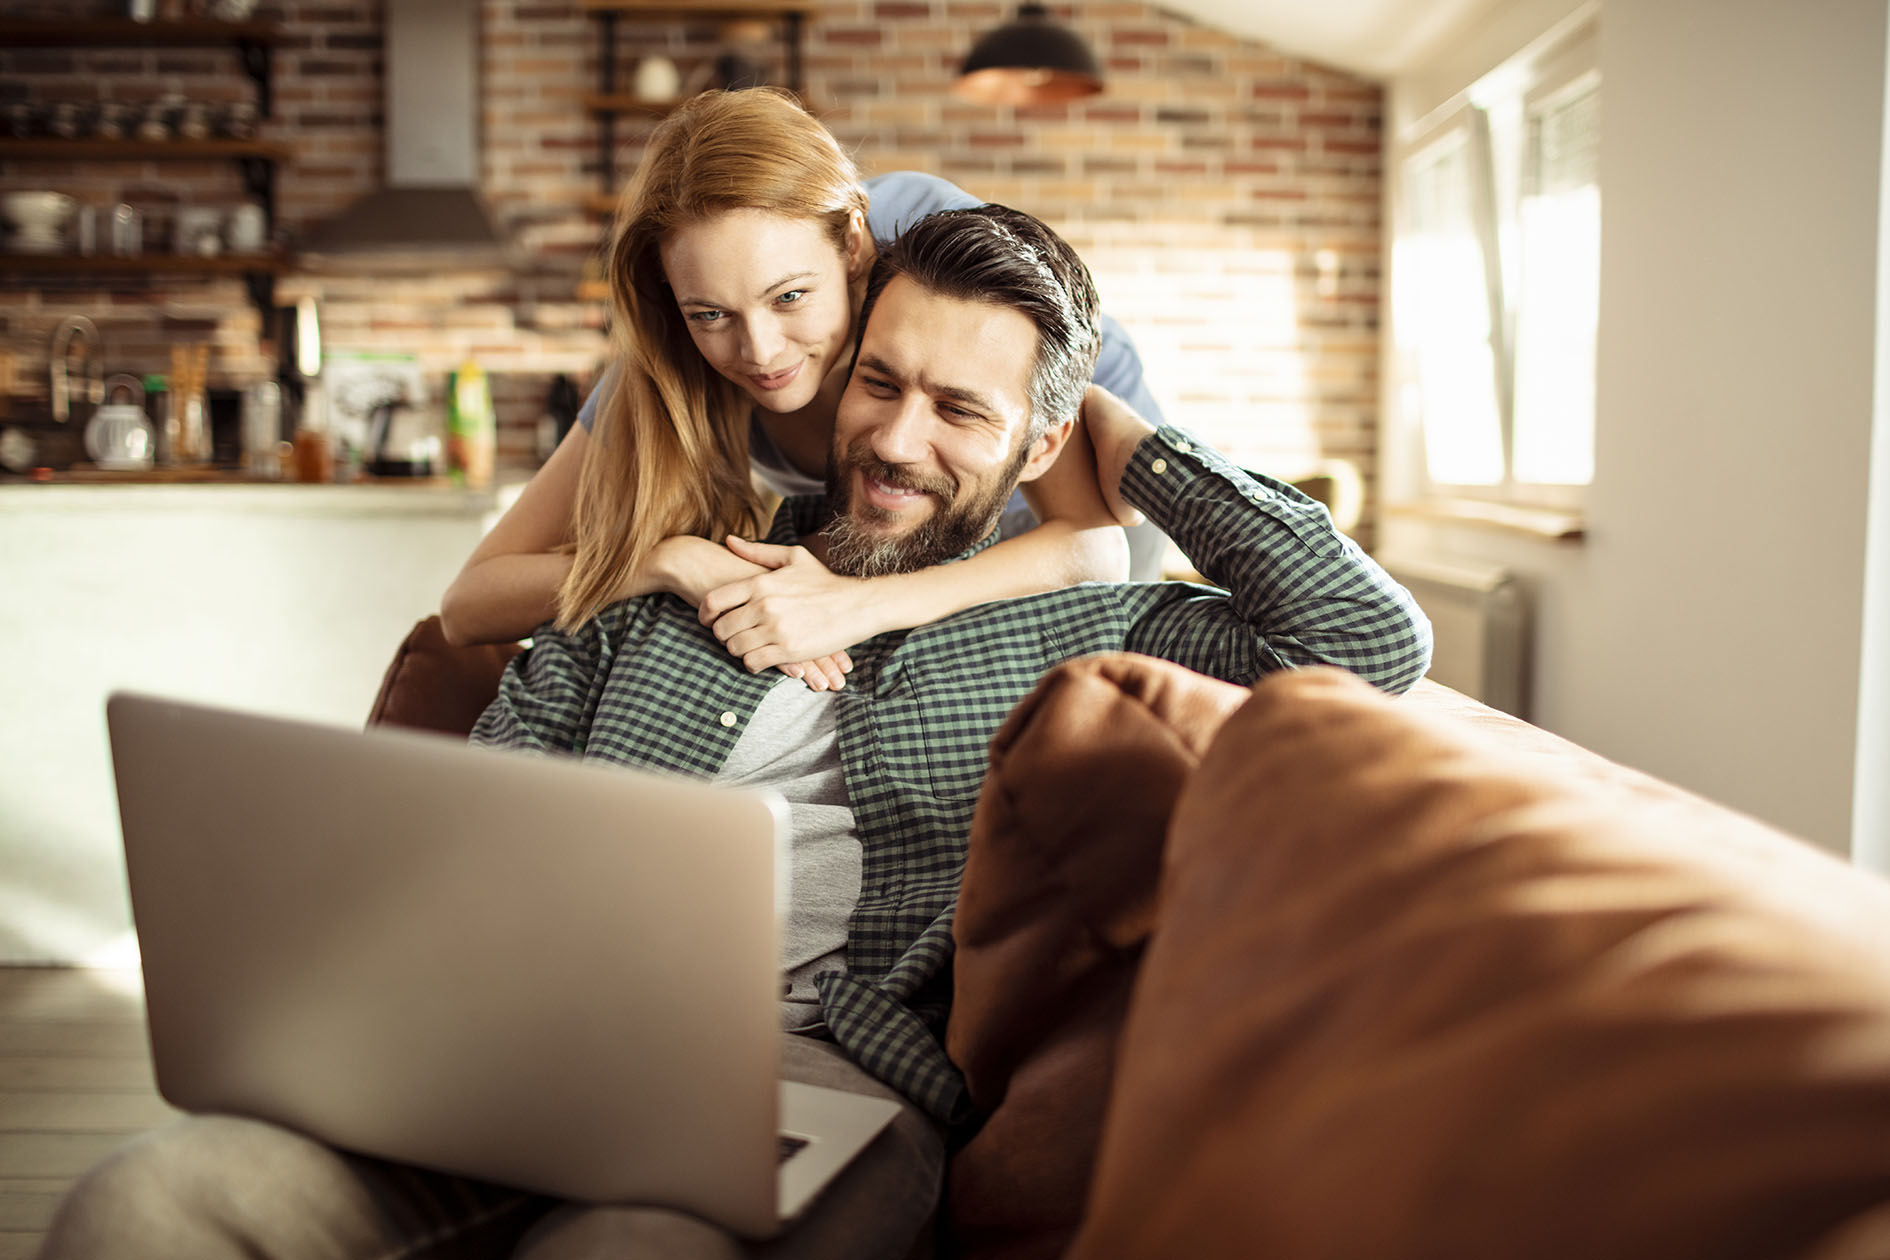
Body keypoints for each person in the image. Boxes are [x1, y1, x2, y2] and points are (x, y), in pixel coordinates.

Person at [38, 205, 1430, 1260]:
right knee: (143, 1201)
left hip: (818, 1088)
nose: (894, 440)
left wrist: (1119, 441)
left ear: (1041, 430)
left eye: (961, 410)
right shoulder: (674, 574)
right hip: (525, 1051)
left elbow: (1367, 646)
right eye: (880, 382)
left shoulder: (1084, 628)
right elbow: (486, 802)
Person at [438, 88, 1175, 692]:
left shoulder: (923, 243)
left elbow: (1092, 545)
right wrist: (669, 559)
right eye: (712, 314)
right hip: (911, 528)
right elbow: (468, 605)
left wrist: (856, 606)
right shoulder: (670, 359)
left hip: (1065, 501)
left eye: (790, 297)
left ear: (853, 244)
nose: (759, 353)